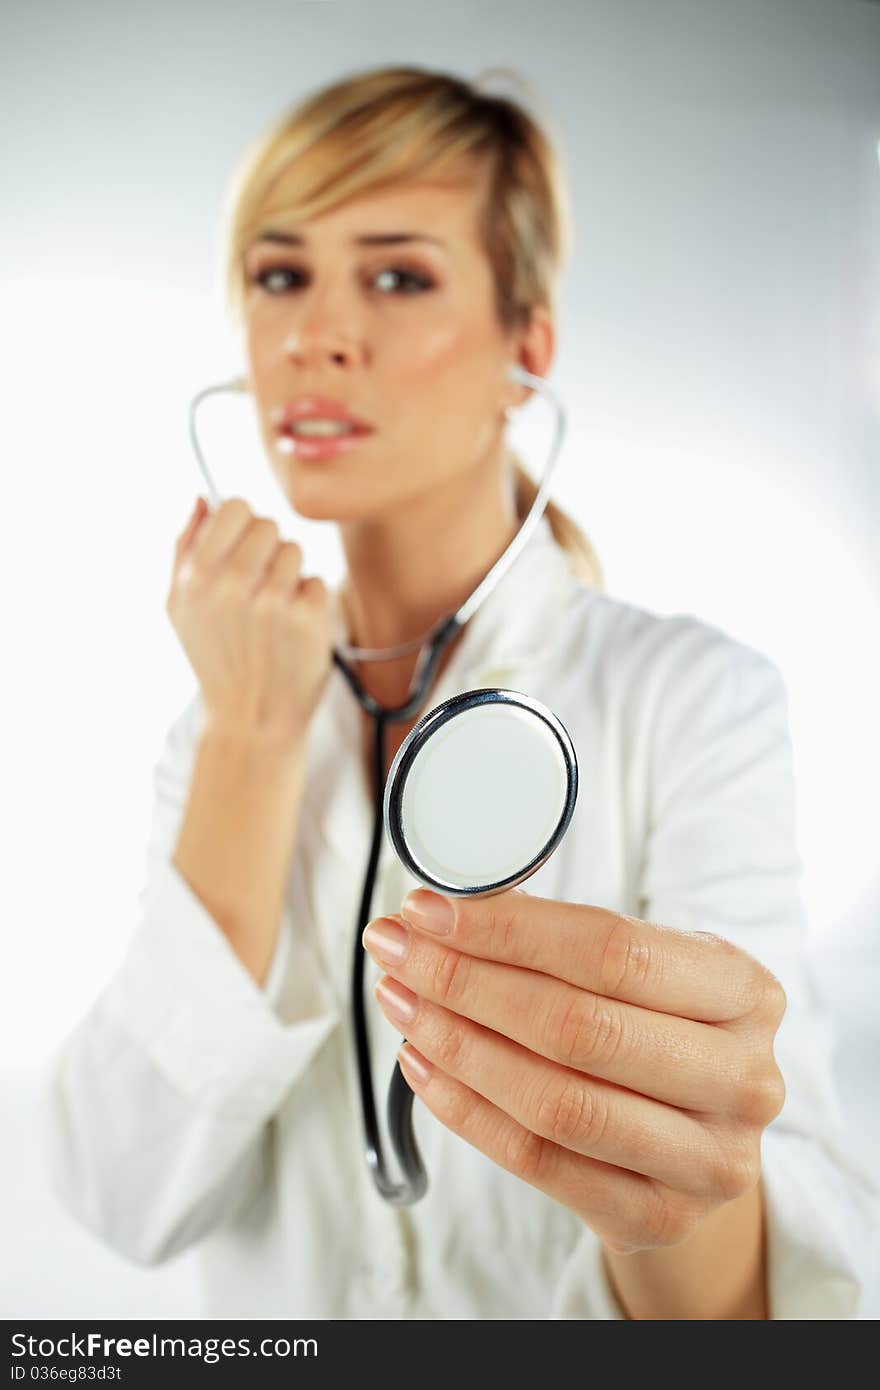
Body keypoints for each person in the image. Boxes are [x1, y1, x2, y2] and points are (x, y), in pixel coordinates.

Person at [44, 63, 878, 1320]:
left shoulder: (690, 699)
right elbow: (123, 1193)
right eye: (279, 274)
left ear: (525, 344)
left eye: (398, 274)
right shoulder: (218, 722)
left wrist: (679, 1188)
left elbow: (781, 1266)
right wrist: (256, 739)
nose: (316, 331)